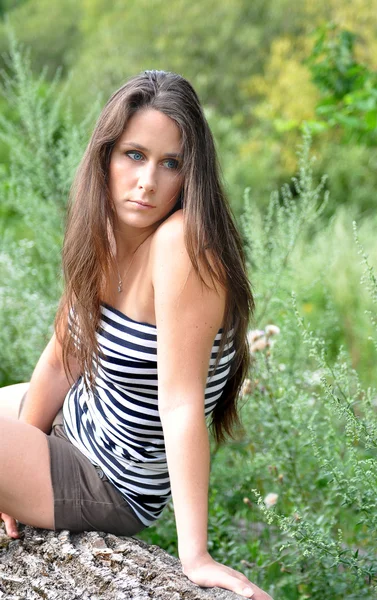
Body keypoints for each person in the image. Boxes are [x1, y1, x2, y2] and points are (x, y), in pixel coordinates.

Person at [0, 70, 272, 599]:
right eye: (134, 154)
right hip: (70, 430)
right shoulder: (102, 233)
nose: (148, 179)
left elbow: (180, 403)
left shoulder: (183, 245)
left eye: (170, 163)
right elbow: (62, 361)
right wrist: (15, 474)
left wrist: (195, 555)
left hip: (107, 481)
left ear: (190, 176)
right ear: (104, 156)